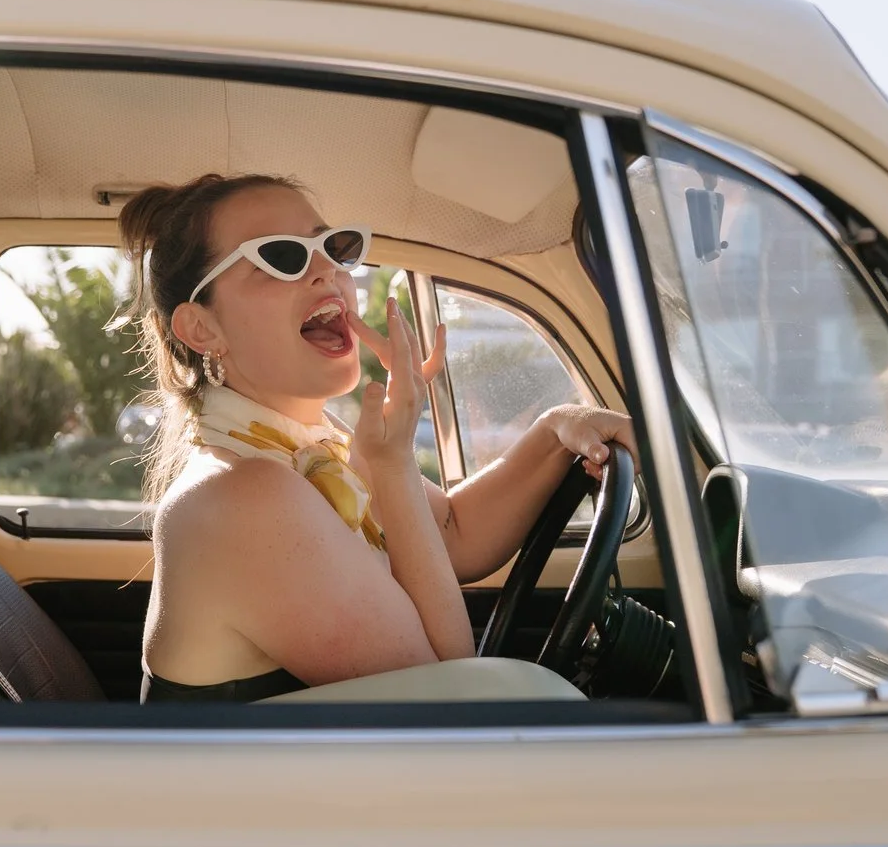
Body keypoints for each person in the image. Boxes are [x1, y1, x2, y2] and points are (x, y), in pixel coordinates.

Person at [120, 172, 634, 702]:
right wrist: (392, 465)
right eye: (281, 256)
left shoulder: (310, 445)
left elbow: (450, 536)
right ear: (201, 328)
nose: (328, 270)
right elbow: (449, 691)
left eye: (332, 246)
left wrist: (557, 430)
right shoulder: (240, 494)